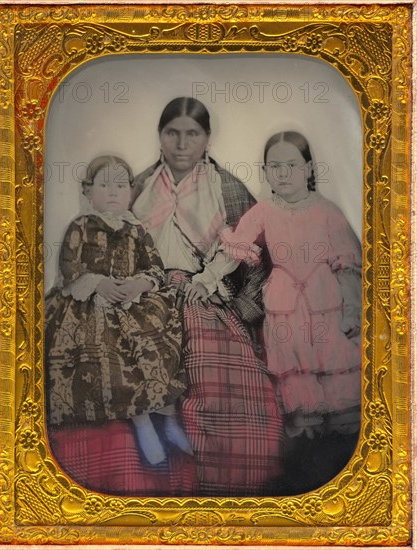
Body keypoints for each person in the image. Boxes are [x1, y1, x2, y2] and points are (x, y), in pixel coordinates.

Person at [132, 97, 283, 496]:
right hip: (147, 294)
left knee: (228, 378)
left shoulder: (227, 188)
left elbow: (258, 259)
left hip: (207, 295)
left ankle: (237, 489)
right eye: (172, 133)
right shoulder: (137, 186)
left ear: (207, 140)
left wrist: (239, 307)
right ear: (160, 138)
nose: (182, 144)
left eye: (192, 134)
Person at [220, 131, 361, 491]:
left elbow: (347, 266)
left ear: (308, 168)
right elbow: (239, 243)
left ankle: (343, 462)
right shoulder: (265, 210)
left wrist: (351, 313)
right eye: (274, 167)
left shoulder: (327, 211)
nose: (283, 174)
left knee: (334, 376)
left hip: (326, 304)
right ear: (266, 172)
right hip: (284, 306)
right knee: (296, 376)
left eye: (292, 166)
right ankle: (304, 464)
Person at [45, 155, 193, 468]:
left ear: (130, 192)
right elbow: (70, 269)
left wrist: (140, 284)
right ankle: (141, 424)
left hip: (131, 299)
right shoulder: (81, 226)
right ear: (88, 191)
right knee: (108, 343)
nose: (113, 192)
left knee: (161, 334)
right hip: (91, 302)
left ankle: (169, 421)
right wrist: (97, 284)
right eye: (104, 185)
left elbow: (154, 266)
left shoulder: (136, 230)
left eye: (120, 185)